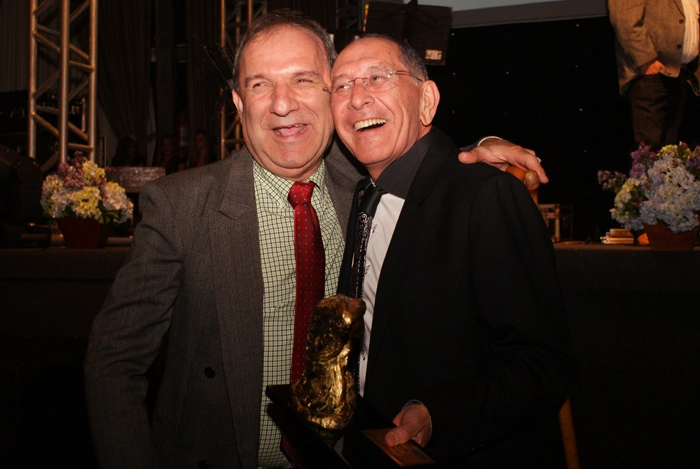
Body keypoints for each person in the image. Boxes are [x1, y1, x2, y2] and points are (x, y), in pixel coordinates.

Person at [84, 10, 548, 469]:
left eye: (304, 80)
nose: (282, 104)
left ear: (332, 95)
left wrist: (472, 151)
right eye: (260, 84)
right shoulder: (181, 206)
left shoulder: (365, 191)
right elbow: (113, 363)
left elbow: (414, 154)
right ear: (238, 102)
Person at [333, 35, 577, 468]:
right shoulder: (362, 195)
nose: (357, 99)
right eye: (342, 86)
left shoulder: (486, 197)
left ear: (426, 100)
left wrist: (436, 414)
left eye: (377, 78)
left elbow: (542, 363)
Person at [609, 0, 700, 150]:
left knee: (671, 153)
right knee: (650, 151)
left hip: (683, 73)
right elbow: (624, 18)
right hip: (651, 74)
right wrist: (646, 61)